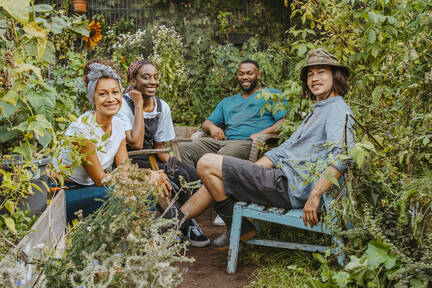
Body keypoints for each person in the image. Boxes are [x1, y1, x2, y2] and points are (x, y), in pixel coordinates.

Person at [175, 48, 355, 250]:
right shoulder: (319, 109)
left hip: (291, 188)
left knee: (207, 163)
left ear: (335, 76)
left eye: (321, 72)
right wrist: (253, 172)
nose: (314, 79)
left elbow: (341, 157)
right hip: (280, 178)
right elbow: (283, 150)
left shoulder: (337, 110)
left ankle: (174, 225)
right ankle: (174, 226)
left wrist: (314, 195)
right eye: (310, 74)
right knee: (213, 176)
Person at [53, 59, 167, 225]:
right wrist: (144, 177)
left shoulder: (118, 124)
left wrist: (145, 176)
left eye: (115, 92)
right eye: (103, 94)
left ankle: (147, 240)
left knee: (146, 191)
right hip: (64, 193)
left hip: (90, 188)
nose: (111, 98)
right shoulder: (82, 130)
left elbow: (124, 168)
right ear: (93, 97)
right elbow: (101, 180)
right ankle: (125, 245)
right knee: (120, 193)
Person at [115, 59, 209, 247]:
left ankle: (183, 221)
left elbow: (159, 146)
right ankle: (183, 225)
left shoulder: (162, 106)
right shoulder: (123, 106)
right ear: (133, 80)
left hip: (152, 157)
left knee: (187, 175)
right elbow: (136, 142)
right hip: (128, 159)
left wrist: (176, 164)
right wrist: (139, 105)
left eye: (156, 77)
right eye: (146, 77)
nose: (153, 82)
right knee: (168, 179)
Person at [177, 59, 288, 167]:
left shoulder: (272, 95)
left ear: (258, 75)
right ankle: (193, 184)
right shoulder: (227, 102)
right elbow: (206, 123)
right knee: (184, 148)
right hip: (224, 142)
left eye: (249, 73)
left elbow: (283, 123)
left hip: (249, 143)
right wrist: (212, 127)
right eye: (241, 74)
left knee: (224, 155)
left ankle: (212, 184)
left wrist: (260, 135)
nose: (245, 77)